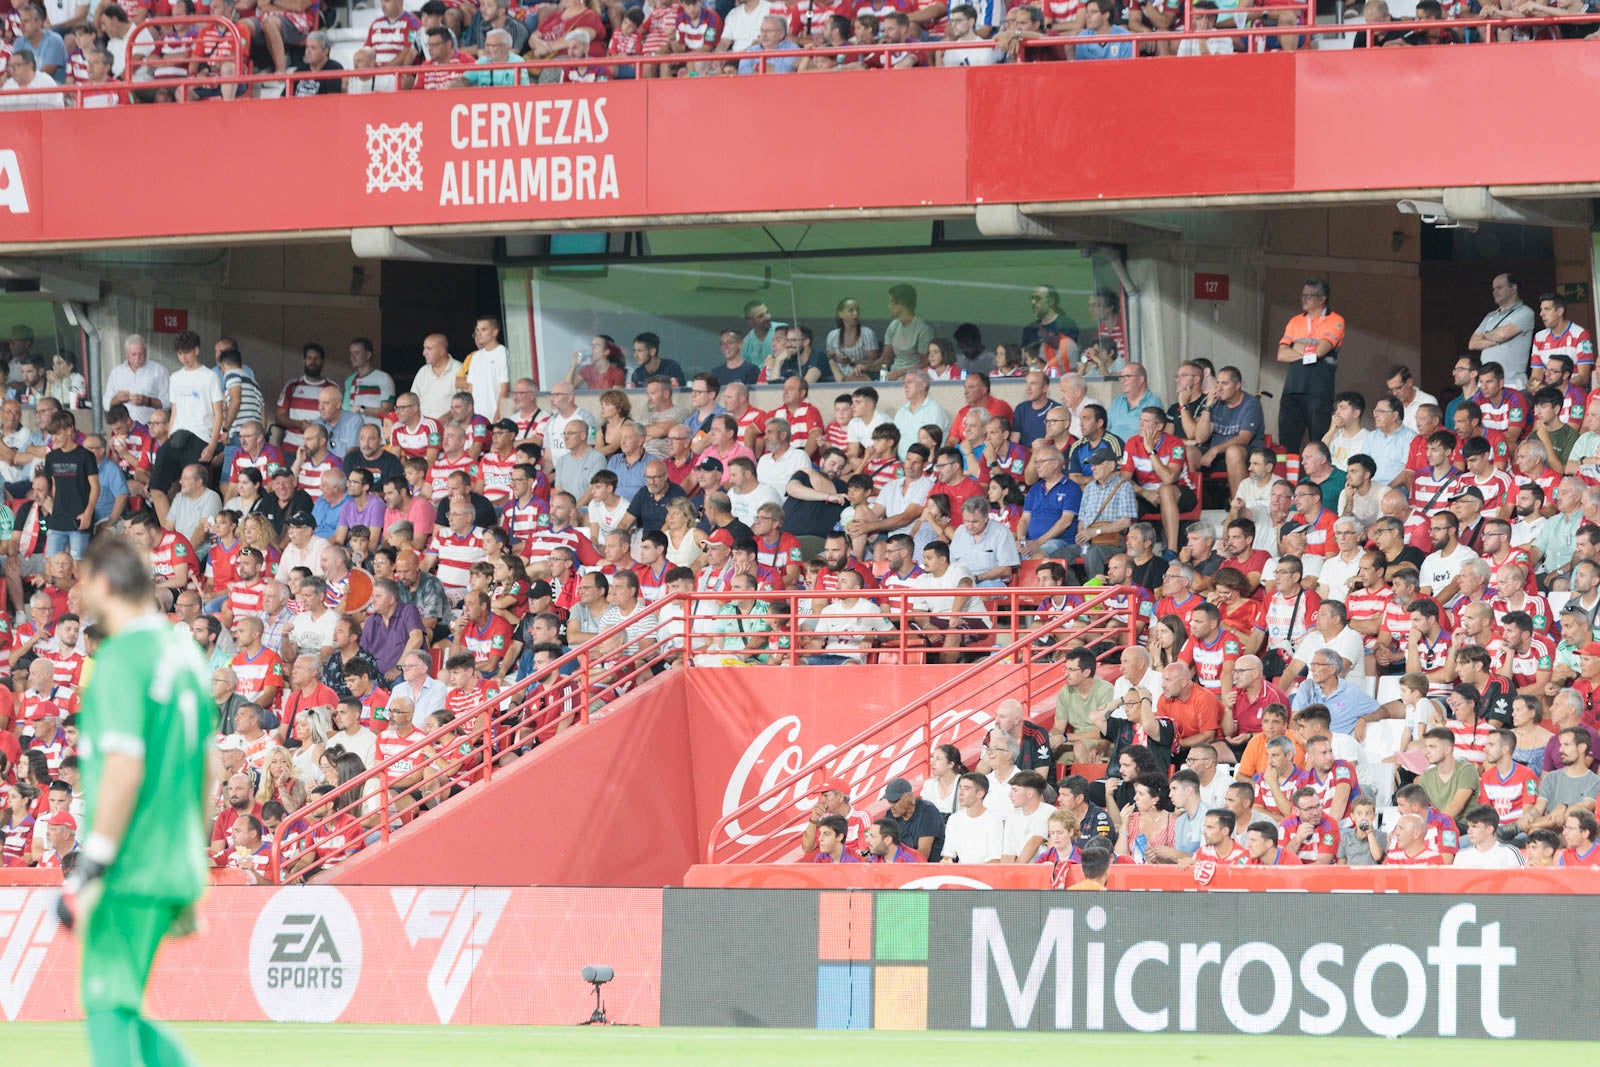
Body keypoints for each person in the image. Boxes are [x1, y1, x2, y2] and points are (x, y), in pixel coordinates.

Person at [55, 535, 213, 1067]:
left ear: (103, 584)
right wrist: (190, 858)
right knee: (122, 1005)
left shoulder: (121, 657)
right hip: (174, 858)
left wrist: (93, 864)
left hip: (131, 859)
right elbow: (207, 768)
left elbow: (124, 766)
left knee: (105, 1003)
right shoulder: (185, 656)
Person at [1275, 278, 1344, 451]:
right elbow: (1281, 354)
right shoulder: (1295, 321)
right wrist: (1310, 350)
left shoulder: (1335, 320)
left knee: (1318, 443)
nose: (1304, 299)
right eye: (1303, 295)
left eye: (1309, 296)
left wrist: (1295, 345)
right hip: (1292, 389)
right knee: (1286, 445)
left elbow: (1321, 351)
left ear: (1322, 299)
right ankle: (1288, 471)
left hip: (1318, 391)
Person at [1469, 274, 1537, 391]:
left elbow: (1503, 335)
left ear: (1513, 288)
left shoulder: (1525, 312)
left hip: (1512, 384)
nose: (1494, 292)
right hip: (1485, 385)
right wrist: (1497, 339)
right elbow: (1472, 344)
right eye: (1493, 289)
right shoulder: (1490, 316)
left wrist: (1485, 335)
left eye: (1499, 288)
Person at [940, 773, 1004, 864]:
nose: (960, 793)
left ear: (980, 794)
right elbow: (947, 855)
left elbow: (995, 859)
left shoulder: (994, 820)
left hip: (985, 870)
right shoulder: (954, 819)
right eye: (960, 788)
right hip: (960, 871)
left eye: (966, 789)